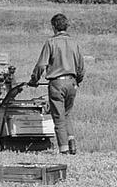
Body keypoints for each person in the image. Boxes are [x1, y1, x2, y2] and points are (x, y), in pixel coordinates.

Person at [29, 13, 85, 155]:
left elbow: (41, 65)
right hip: (72, 83)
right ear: (66, 26)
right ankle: (72, 144)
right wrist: (76, 81)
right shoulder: (75, 43)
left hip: (57, 84)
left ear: (53, 27)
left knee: (58, 117)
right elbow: (81, 68)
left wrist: (34, 80)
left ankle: (64, 150)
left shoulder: (51, 42)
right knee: (66, 114)